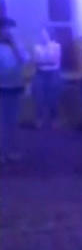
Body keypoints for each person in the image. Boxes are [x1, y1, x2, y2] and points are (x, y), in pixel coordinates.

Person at [0, 17, 26, 163]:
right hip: (1, 88)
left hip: (15, 87)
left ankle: (12, 150)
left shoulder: (17, 45)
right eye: (5, 28)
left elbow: (24, 59)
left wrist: (15, 44)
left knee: (13, 121)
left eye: (11, 29)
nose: (8, 32)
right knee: (2, 122)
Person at [32, 28, 62, 129]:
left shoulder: (56, 46)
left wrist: (43, 60)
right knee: (39, 97)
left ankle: (54, 119)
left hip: (53, 73)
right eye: (41, 35)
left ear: (49, 34)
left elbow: (54, 60)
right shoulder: (37, 47)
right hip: (40, 73)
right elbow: (36, 61)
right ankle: (39, 119)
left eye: (45, 34)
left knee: (53, 98)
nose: (43, 37)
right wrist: (45, 60)